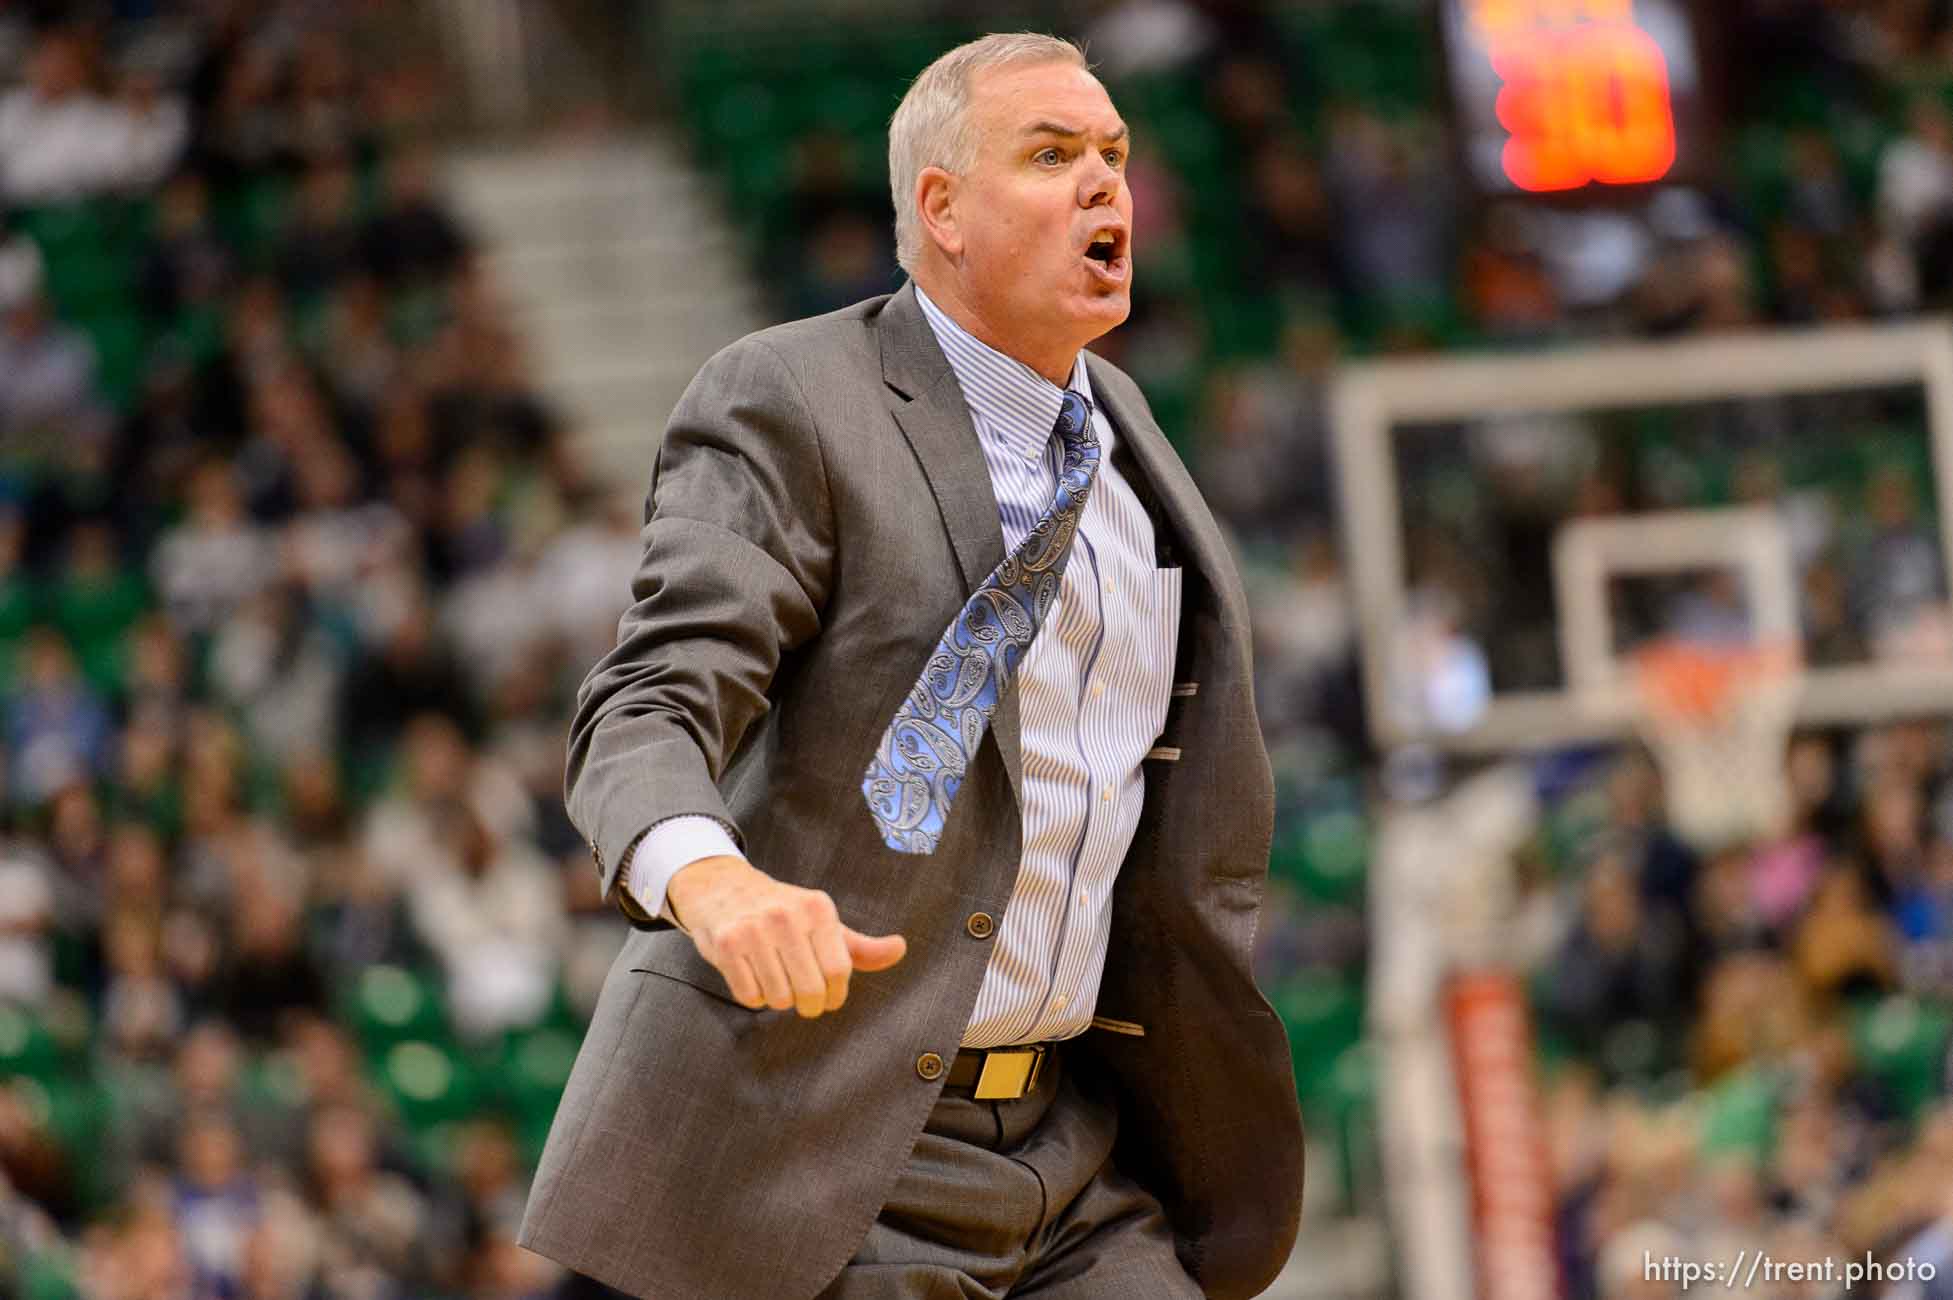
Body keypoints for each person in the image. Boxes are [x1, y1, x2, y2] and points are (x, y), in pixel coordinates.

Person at [519, 32, 1304, 1300]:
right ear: (941, 208)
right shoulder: (793, 397)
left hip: (1076, 1143)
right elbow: (647, 699)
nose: (1104, 181)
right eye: (1052, 155)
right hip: (834, 1141)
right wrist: (712, 882)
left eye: (1113, 153)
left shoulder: (1131, 431)